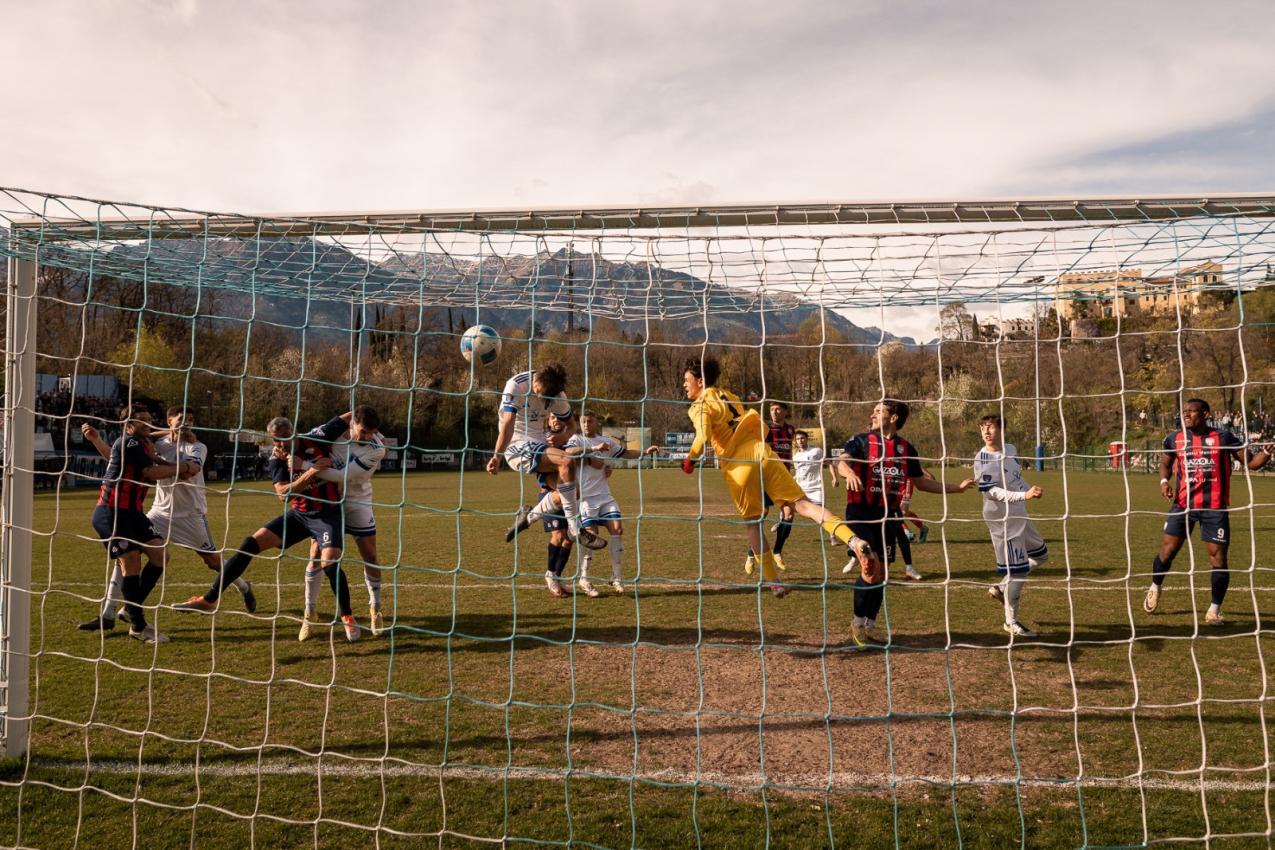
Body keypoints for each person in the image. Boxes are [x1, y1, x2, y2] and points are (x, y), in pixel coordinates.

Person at [679, 355, 876, 599]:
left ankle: (774, 582)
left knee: (753, 523)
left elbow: (704, 434)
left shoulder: (698, 406)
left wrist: (691, 460)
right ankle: (854, 541)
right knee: (804, 506)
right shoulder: (727, 395)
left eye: (687, 380)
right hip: (761, 452)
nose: (684, 385)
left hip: (738, 464)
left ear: (699, 380)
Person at [175, 414, 361, 642]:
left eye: (284, 438)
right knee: (249, 544)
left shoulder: (317, 437)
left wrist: (366, 428)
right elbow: (282, 493)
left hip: (327, 513)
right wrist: (312, 472)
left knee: (329, 563)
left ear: (293, 432)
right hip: (299, 515)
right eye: (275, 440)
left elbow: (351, 413)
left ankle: (347, 617)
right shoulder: (277, 458)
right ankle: (210, 599)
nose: (280, 445)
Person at [80, 407, 256, 627]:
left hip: (190, 514)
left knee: (212, 561)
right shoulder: (156, 444)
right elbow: (125, 455)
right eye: (182, 419)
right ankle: (109, 613)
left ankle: (243, 586)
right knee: (126, 554)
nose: (187, 423)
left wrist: (170, 443)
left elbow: (188, 471)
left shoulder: (197, 446)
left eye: (191, 420)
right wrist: (164, 434)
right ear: (168, 421)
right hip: (160, 512)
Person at [837, 401, 974, 646]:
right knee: (869, 567)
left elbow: (922, 483)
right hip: (861, 513)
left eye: (879, 411)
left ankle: (870, 624)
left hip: (889, 516)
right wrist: (849, 472)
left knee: (882, 574)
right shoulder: (861, 440)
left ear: (894, 417)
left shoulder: (905, 448)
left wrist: (958, 489)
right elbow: (841, 461)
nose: (873, 414)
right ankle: (857, 624)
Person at [1142, 398, 1273, 625]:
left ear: (1205, 414)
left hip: (1214, 509)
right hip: (1183, 505)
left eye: (1191, 412)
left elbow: (1251, 464)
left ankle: (1214, 610)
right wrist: (1164, 481)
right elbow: (1165, 463)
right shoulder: (1175, 438)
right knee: (1167, 552)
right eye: (1185, 412)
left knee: (1218, 559)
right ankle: (1156, 586)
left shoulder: (1223, 437)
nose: (1186, 415)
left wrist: (1267, 453)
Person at [77, 406, 180, 644]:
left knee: (160, 556)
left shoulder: (143, 443)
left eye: (148, 418)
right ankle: (138, 625)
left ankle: (126, 610)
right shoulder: (131, 442)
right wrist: (182, 468)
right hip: (111, 511)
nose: (148, 423)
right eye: (141, 420)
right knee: (131, 561)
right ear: (129, 426)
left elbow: (117, 457)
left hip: (133, 513)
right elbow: (150, 472)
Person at [487, 363, 603, 550]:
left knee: (573, 493)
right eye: (539, 392)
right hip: (515, 444)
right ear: (537, 378)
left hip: (539, 444)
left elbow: (571, 426)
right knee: (566, 460)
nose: (541, 398)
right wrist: (497, 456)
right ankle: (575, 529)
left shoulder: (557, 396)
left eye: (545, 396)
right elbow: (507, 424)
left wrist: (562, 437)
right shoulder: (517, 385)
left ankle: (528, 517)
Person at [306, 406, 388, 635]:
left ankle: (375, 608)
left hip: (358, 500)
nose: (367, 437)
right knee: (315, 554)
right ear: (352, 423)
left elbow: (341, 475)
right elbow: (308, 440)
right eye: (363, 431)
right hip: (329, 501)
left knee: (370, 555)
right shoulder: (332, 434)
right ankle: (309, 613)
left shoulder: (377, 449)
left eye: (372, 432)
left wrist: (305, 468)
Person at [974, 414, 1048, 637]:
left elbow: (1016, 478)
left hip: (1019, 514)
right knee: (1019, 571)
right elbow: (992, 492)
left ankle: (1001, 587)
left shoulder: (1011, 449)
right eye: (983, 428)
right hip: (1001, 520)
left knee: (1041, 555)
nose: (986, 432)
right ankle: (1011, 621)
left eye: (991, 428)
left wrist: (1029, 489)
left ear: (1002, 430)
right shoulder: (983, 459)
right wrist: (1023, 495)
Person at [755, 401, 796, 573]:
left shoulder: (791, 430)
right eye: (771, 409)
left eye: (778, 409)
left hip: (784, 479)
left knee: (789, 513)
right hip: (767, 477)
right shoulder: (766, 429)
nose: (774, 412)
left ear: (785, 411)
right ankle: (753, 550)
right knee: (762, 513)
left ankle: (778, 550)